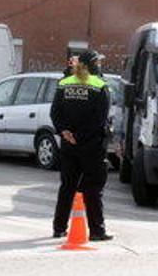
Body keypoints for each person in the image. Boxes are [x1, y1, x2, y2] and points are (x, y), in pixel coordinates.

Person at [50, 50, 113, 241]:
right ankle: (96, 231)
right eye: (99, 63)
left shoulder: (64, 84)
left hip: (69, 144)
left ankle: (59, 228)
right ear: (93, 64)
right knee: (93, 189)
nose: (101, 66)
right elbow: (99, 118)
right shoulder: (99, 85)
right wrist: (80, 135)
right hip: (91, 145)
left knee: (67, 187)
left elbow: (55, 113)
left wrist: (65, 132)